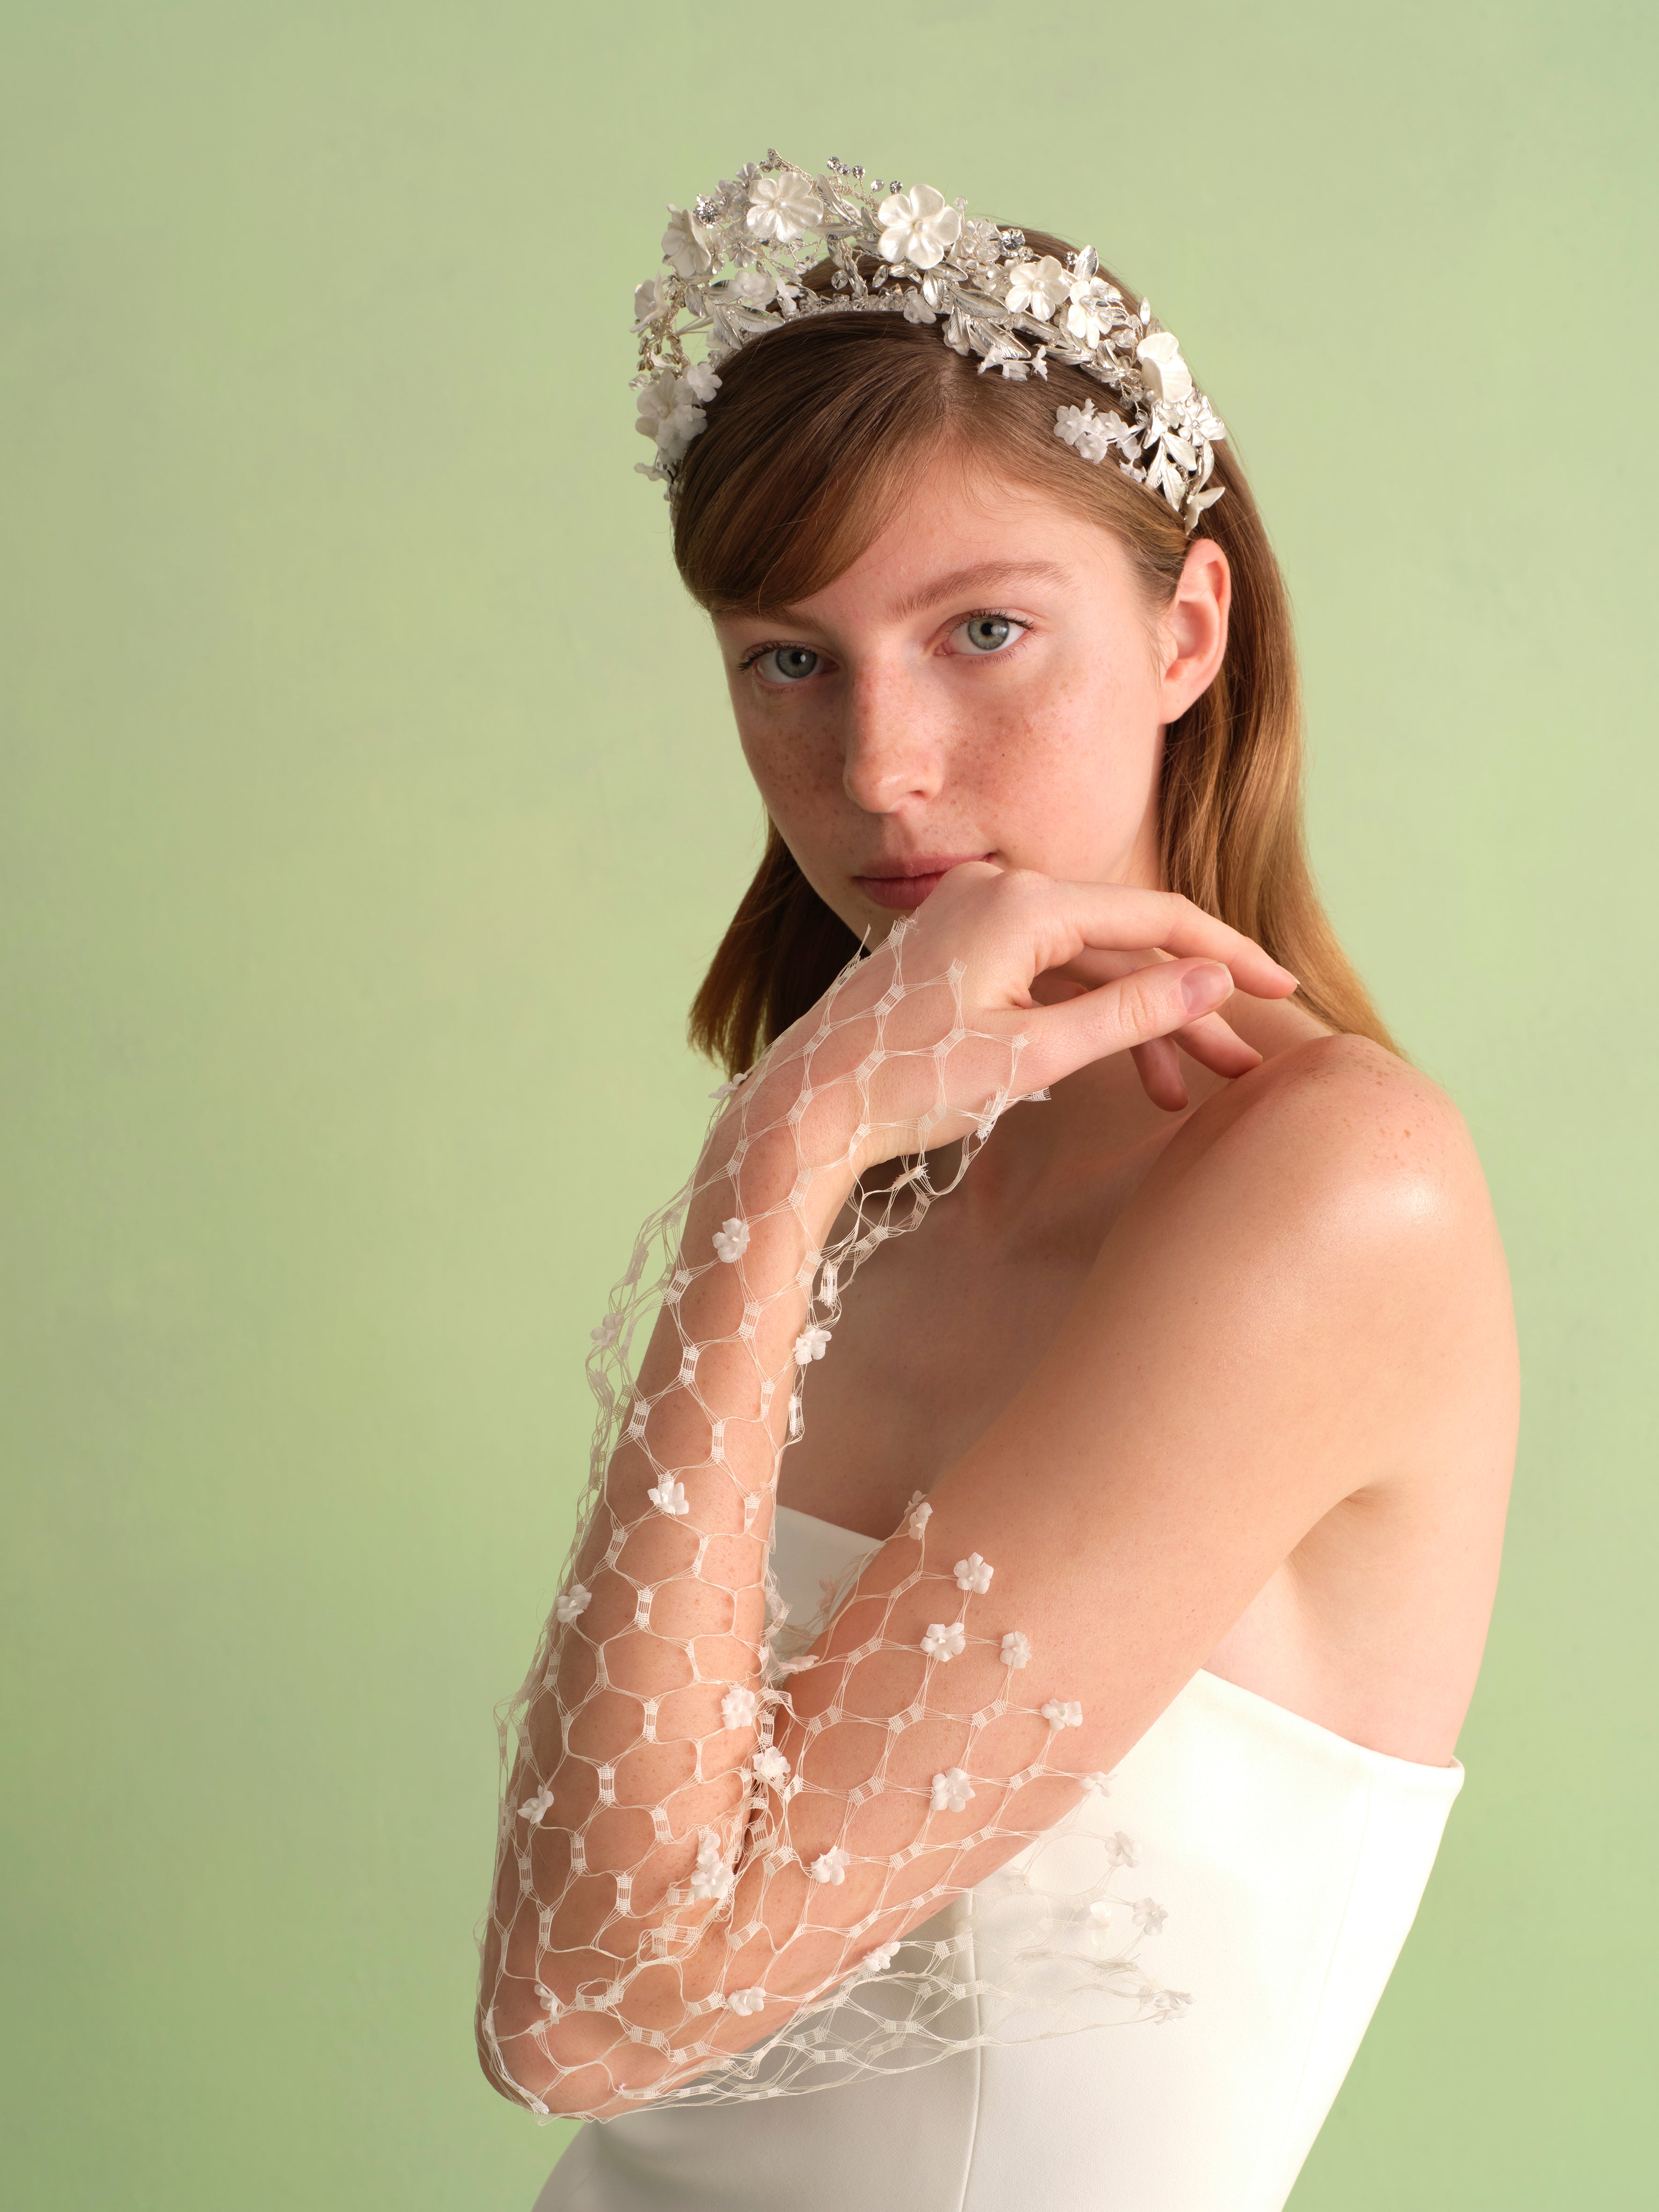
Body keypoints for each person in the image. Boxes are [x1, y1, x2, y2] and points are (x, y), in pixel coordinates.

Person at [477, 158, 1517, 2211]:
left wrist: (769, 1159)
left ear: (1186, 630)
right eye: (789, 660)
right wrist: (803, 1155)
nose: (880, 768)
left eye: (982, 631)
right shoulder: (876, 1154)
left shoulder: (1333, 1186)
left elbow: (583, 2014)